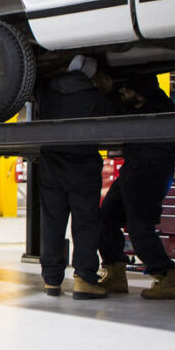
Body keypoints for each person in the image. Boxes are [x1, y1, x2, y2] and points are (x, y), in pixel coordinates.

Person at [35, 56, 115, 299]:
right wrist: (106, 91)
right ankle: (84, 279)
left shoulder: (47, 91)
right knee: (85, 223)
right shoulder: (95, 97)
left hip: (51, 165)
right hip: (82, 167)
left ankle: (51, 280)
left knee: (52, 223)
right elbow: (115, 120)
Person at [97, 74, 175, 301]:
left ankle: (165, 275)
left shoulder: (158, 110)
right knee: (105, 217)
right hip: (133, 171)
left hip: (148, 175)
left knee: (139, 228)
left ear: (141, 92)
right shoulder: (144, 104)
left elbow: (121, 114)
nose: (123, 93)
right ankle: (115, 271)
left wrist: (106, 92)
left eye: (127, 90)